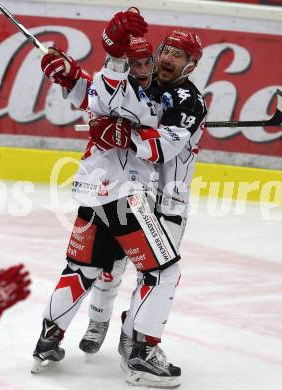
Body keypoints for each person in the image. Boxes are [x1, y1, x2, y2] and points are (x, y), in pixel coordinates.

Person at [31, 10, 188, 383]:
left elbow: (94, 92)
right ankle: (141, 355)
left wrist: (71, 77)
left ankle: (47, 340)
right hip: (124, 198)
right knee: (164, 270)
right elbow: (106, 87)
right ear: (122, 63)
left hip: (93, 196)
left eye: (145, 59)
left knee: (81, 270)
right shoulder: (118, 83)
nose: (142, 66)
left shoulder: (138, 94)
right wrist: (92, 67)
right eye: (133, 62)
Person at [78, 30, 207, 388]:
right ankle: (105, 325)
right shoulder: (144, 84)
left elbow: (159, 149)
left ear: (192, 65)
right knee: (114, 265)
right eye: (166, 50)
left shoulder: (188, 101)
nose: (167, 58)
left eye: (179, 55)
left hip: (166, 203)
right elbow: (103, 99)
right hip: (128, 193)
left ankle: (136, 342)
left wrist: (122, 133)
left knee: (157, 273)